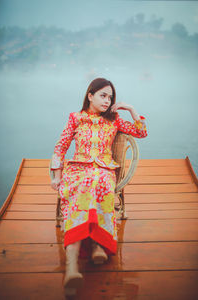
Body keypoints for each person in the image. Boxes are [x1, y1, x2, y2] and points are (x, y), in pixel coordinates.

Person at [50, 77, 148, 295]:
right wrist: (56, 176)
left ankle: (96, 244)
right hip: (78, 169)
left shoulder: (114, 120)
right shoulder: (75, 119)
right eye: (103, 95)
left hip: (104, 170)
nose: (107, 100)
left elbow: (141, 133)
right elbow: (60, 148)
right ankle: (72, 265)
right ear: (90, 95)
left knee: (99, 185)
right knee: (84, 187)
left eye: (110, 97)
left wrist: (130, 109)